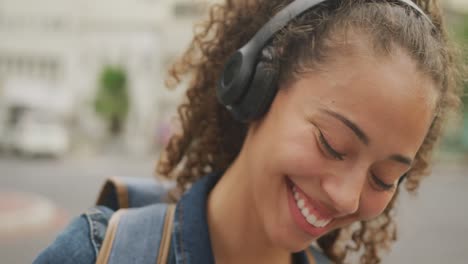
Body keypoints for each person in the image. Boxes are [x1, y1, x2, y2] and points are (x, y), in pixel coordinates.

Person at [34, 0, 463, 263]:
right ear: (256, 86)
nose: (347, 197)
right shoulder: (97, 254)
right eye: (333, 145)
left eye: (383, 179)